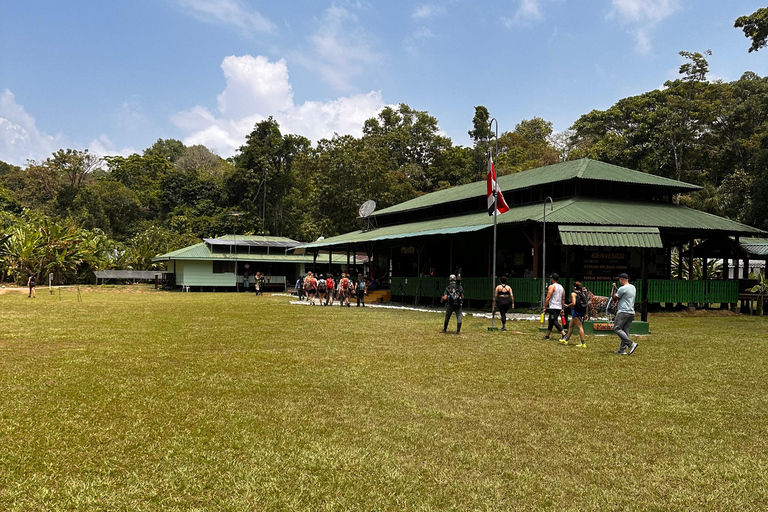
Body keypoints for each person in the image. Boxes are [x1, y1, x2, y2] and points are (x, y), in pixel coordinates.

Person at [611, 273, 638, 355]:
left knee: (617, 328)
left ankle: (630, 344)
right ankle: (622, 350)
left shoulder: (623, 288)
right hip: (631, 312)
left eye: (619, 279)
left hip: (623, 311)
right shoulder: (633, 287)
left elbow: (615, 298)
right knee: (625, 331)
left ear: (622, 279)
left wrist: (613, 288)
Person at [542, 273, 567, 341]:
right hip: (559, 306)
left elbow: (548, 297)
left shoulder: (552, 286)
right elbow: (563, 298)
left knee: (554, 321)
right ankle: (547, 335)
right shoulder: (561, 287)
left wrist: (545, 306)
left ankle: (564, 334)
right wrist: (562, 308)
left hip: (553, 306)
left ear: (552, 279)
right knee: (551, 320)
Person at [564, 282, 589, 347]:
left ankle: (583, 343)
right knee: (571, 325)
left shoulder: (573, 294)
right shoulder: (582, 293)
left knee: (580, 327)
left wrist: (567, 306)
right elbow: (586, 304)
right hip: (581, 312)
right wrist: (586, 313)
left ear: (574, 287)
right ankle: (566, 339)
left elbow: (574, 303)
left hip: (575, 312)